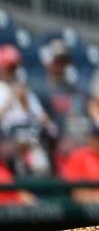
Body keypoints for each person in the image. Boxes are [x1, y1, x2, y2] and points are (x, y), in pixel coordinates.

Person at [0, 45, 55, 176]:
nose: (14, 71)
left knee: (42, 164)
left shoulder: (25, 91)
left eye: (16, 67)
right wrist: (11, 100)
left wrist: (26, 105)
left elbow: (45, 121)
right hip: (6, 143)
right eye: (10, 67)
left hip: (30, 140)